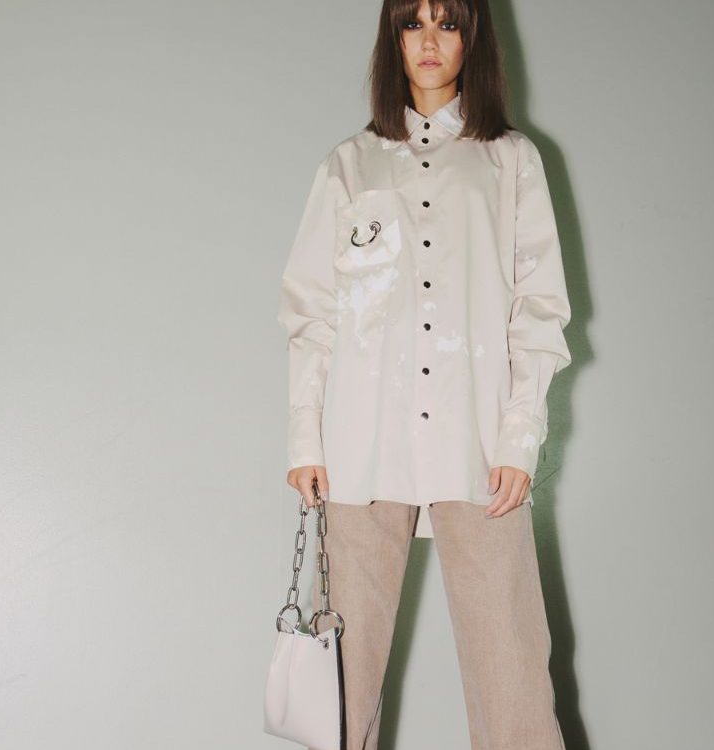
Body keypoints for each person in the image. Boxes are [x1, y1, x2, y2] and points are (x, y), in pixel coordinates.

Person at [276, 0, 572, 747]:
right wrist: (306, 439)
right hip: (362, 441)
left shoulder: (510, 160)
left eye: (448, 23)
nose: (430, 41)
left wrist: (520, 436)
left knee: (513, 673)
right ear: (393, 38)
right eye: (413, 23)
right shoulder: (350, 163)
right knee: (343, 680)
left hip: (479, 440)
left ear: (473, 38)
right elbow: (313, 311)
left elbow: (539, 309)